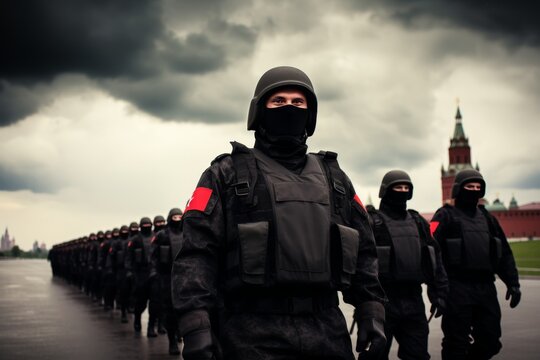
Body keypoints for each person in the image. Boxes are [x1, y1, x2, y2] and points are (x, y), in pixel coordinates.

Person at [172, 66, 386, 360]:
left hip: (327, 328)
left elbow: (364, 250)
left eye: (298, 102)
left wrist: (371, 309)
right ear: (260, 110)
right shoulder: (226, 173)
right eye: (278, 101)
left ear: (310, 114)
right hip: (250, 332)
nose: (289, 108)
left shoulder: (335, 179)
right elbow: (197, 253)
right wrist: (195, 324)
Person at [430, 169, 521, 360]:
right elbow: (430, 252)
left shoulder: (488, 219)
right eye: (469, 186)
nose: (473, 190)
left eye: (478, 187)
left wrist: (513, 283)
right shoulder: (444, 216)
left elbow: (503, 252)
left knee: (491, 341)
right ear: (458, 189)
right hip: (456, 289)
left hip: (486, 288)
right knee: (456, 343)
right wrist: (436, 290)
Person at [367, 170, 448, 360]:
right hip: (382, 302)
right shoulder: (373, 222)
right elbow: (362, 264)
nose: (402, 191)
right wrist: (364, 302)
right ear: (386, 190)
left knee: (418, 355)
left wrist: (440, 294)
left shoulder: (418, 222)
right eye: (398, 187)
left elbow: (434, 259)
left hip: (414, 301)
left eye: (406, 188)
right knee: (376, 356)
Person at [151, 208, 184, 355]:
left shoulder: (187, 232)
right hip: (166, 277)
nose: (177, 219)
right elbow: (153, 257)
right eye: (175, 217)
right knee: (169, 309)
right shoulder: (161, 235)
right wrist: (154, 274)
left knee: (183, 309)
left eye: (180, 216)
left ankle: (179, 332)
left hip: (184, 276)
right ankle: (172, 341)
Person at [126, 217, 160, 336]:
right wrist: (130, 271)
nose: (147, 226)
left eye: (148, 224)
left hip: (154, 274)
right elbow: (129, 257)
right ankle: (137, 319)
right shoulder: (135, 240)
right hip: (140, 274)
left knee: (155, 302)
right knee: (140, 301)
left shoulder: (156, 237)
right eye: (144, 224)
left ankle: (151, 327)